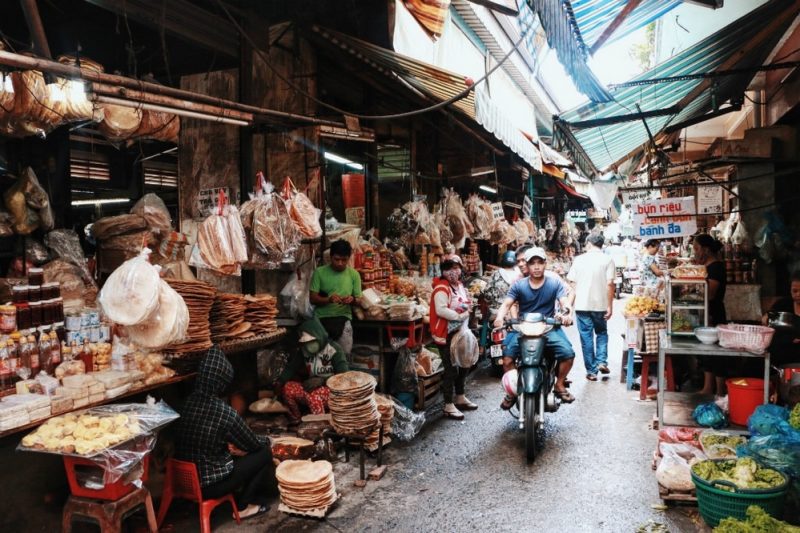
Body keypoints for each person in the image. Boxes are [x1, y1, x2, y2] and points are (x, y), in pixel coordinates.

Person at [175, 346, 277, 520]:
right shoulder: (223, 412)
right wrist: (268, 440)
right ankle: (246, 504)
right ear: (222, 382)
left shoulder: (184, 404)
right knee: (264, 453)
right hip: (209, 486)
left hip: (182, 480)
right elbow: (252, 443)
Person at [494, 247, 577, 407]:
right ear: (527, 265)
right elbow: (507, 304)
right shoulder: (518, 285)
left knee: (568, 353)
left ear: (545, 264)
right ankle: (512, 390)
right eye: (533, 263)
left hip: (548, 327)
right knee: (507, 359)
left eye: (540, 263)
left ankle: (559, 384)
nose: (537, 267)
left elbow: (564, 302)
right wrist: (499, 317)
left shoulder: (554, 284)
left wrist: (567, 313)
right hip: (523, 328)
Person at [430, 258, 477, 420]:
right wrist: (459, 315)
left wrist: (466, 307)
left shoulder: (459, 286)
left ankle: (460, 396)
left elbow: (463, 302)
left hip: (461, 331)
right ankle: (448, 404)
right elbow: (441, 310)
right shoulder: (441, 288)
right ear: (443, 271)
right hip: (445, 334)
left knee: (464, 364)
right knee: (451, 369)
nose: (454, 271)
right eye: (450, 268)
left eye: (456, 267)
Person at [277, 317, 349, 422]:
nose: (308, 345)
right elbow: (291, 367)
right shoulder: (304, 351)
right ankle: (297, 419)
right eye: (306, 342)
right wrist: (280, 381)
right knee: (288, 388)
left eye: (311, 341)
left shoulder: (334, 349)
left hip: (333, 391)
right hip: (311, 387)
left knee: (313, 396)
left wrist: (323, 380)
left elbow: (344, 375)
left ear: (319, 336)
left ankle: (319, 425)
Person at [567, 234, 615, 381]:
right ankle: (601, 361)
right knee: (601, 333)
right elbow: (610, 284)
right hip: (600, 304)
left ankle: (591, 371)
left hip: (582, 305)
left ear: (589, 243)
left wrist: (574, 300)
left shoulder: (579, 260)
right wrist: (609, 305)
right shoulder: (607, 259)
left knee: (586, 337)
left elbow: (572, 282)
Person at [309, 239, 362, 355]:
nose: (340, 263)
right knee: (320, 358)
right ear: (331, 257)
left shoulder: (354, 275)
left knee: (343, 355)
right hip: (321, 320)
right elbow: (312, 298)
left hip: (343, 319)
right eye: (336, 259)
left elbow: (359, 299)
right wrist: (329, 299)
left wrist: (352, 299)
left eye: (344, 260)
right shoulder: (319, 272)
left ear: (349, 258)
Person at [693, 234, 727, 395]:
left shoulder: (716, 267)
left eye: (696, 249)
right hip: (707, 312)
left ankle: (719, 390)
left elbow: (711, 293)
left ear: (706, 250)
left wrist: (692, 291)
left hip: (715, 313)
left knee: (717, 352)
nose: (695, 252)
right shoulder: (707, 267)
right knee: (706, 351)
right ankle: (708, 387)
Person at [762, 271, 800, 367]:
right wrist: (766, 319)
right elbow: (766, 319)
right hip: (783, 350)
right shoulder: (783, 304)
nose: (798, 294)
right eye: (794, 291)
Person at [483, 250, 522, 320]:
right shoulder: (520, 276)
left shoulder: (496, 274)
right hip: (515, 313)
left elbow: (487, 294)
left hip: (496, 311)